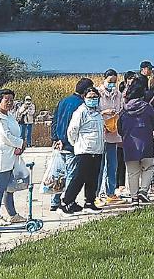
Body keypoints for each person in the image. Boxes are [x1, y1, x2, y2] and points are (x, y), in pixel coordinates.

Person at [49, 77, 94, 213]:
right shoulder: (81, 106)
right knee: (71, 174)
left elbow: (55, 120)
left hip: (60, 142)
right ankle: (67, 201)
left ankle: (55, 201)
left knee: (59, 174)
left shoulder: (63, 101)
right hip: (72, 144)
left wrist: (55, 138)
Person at [61, 86, 106, 215]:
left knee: (93, 177)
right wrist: (76, 143)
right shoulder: (80, 112)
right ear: (84, 98)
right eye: (90, 97)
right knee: (79, 177)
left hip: (97, 150)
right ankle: (66, 202)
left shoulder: (98, 112)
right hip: (84, 149)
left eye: (95, 97)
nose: (93, 99)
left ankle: (90, 202)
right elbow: (72, 131)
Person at [118, 78, 154, 205]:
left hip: (129, 144)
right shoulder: (147, 108)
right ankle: (144, 190)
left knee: (132, 172)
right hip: (146, 142)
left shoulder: (124, 110)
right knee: (148, 167)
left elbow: (119, 128)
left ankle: (134, 198)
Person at [0, 88, 25, 225]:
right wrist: (20, 143)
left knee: (10, 188)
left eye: (11, 100)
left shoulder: (9, 115)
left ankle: (12, 214)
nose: (9, 103)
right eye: (6, 100)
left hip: (10, 157)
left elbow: (14, 132)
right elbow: (5, 136)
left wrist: (19, 145)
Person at [98, 69, 124, 204]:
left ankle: (111, 191)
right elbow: (93, 112)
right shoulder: (98, 93)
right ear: (104, 79)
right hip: (101, 132)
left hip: (113, 131)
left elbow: (122, 109)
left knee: (113, 164)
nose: (112, 84)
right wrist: (104, 112)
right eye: (110, 81)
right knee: (100, 165)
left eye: (114, 81)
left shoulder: (118, 94)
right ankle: (97, 193)